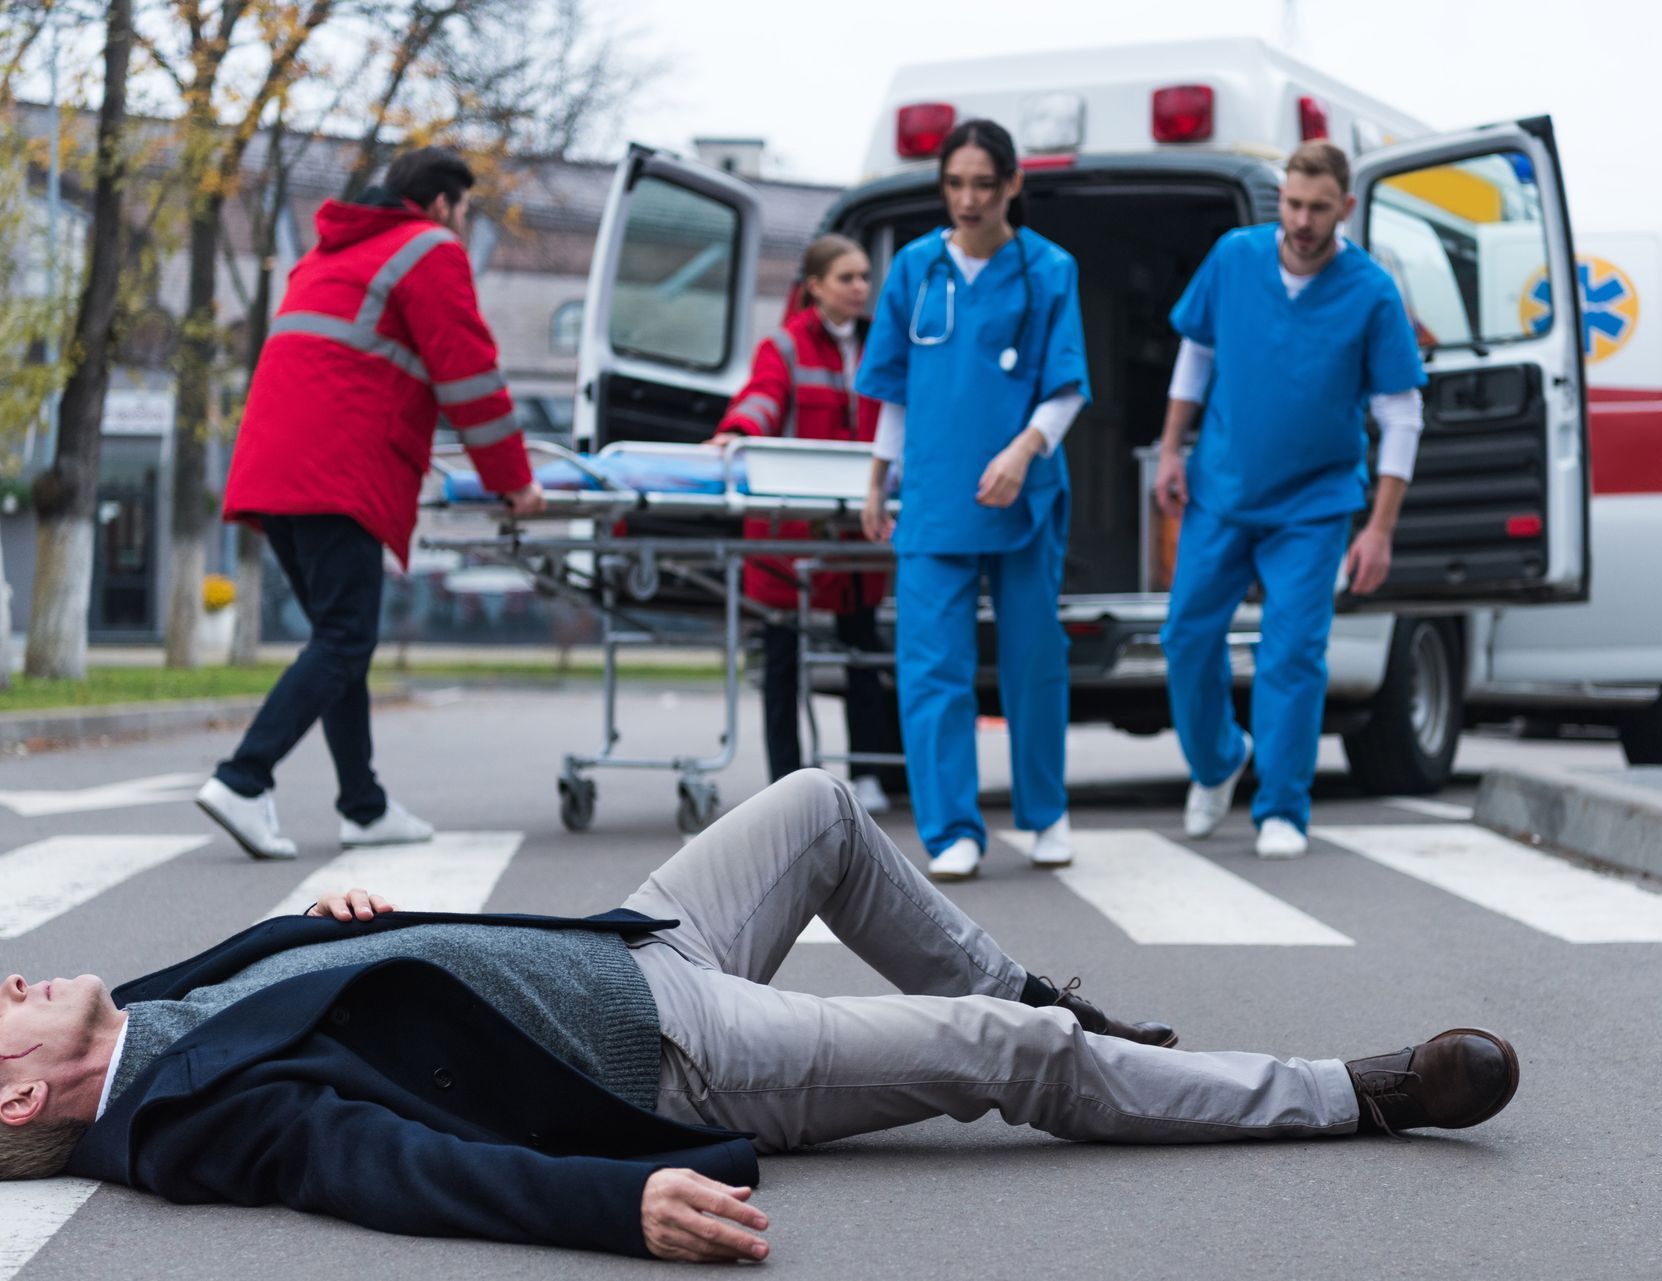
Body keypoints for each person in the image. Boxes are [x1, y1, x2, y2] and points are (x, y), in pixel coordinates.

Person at [0, 771, 1519, 1263]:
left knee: (817, 805)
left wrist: (326, 932)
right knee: (1010, 1066)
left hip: (641, 939)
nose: (11, 980)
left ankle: (1062, 1003)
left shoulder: (141, 1012)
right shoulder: (192, 1116)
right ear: (22, 1103)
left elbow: (291, 971)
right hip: (672, 1051)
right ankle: (1348, 1090)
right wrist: (618, 1202)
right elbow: (391, 1171)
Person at [199, 146, 546, 862]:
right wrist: (514, 481)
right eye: (463, 210)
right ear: (444, 204)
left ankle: (364, 804)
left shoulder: (328, 255)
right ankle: (243, 776)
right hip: (340, 472)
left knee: (339, 637)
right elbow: (470, 375)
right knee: (346, 638)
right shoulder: (430, 250)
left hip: (276, 468)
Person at [1154, 141, 1427, 859]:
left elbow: (1401, 415)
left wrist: (1380, 529)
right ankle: (1218, 761)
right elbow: (1197, 354)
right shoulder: (1234, 257)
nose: (1302, 221)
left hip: (1315, 502)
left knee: (1293, 652)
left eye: (1318, 208)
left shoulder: (1371, 292)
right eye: (1293, 205)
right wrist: (1172, 448)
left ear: (1347, 207)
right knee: (1184, 635)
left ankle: (1283, 805)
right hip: (1222, 485)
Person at [856, 119, 1089, 881]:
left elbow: (1065, 387)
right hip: (932, 494)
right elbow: (892, 387)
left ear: (1014, 184)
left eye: (984, 185)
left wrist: (1023, 451)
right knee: (931, 667)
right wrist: (876, 480)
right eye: (955, 184)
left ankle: (1046, 813)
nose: (968, 200)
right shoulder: (915, 269)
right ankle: (952, 827)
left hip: (1023, 495)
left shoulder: (1050, 269)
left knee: (1032, 661)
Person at [707, 235, 904, 811]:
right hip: (791, 530)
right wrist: (739, 432)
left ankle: (868, 772)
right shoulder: (786, 346)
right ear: (815, 286)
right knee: (783, 658)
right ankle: (786, 788)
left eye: (865, 277)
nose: (860, 288)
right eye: (847, 278)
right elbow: (764, 399)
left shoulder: (879, 346)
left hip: (854, 526)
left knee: (863, 649)